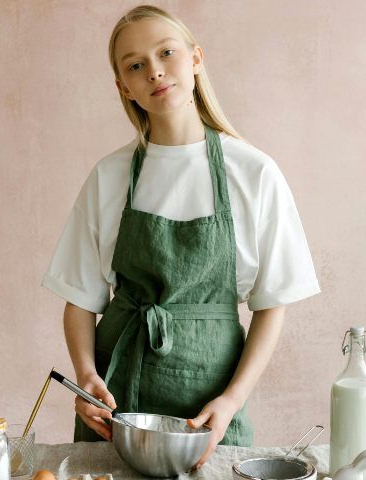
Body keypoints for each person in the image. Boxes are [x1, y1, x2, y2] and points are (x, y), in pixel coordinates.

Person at [42, 4, 320, 469]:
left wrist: (231, 401)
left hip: (207, 407)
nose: (154, 71)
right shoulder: (110, 176)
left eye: (165, 53)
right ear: (123, 87)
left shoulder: (254, 173)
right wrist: (86, 376)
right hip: (117, 406)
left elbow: (273, 304)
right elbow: (80, 297)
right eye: (135, 65)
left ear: (195, 59)